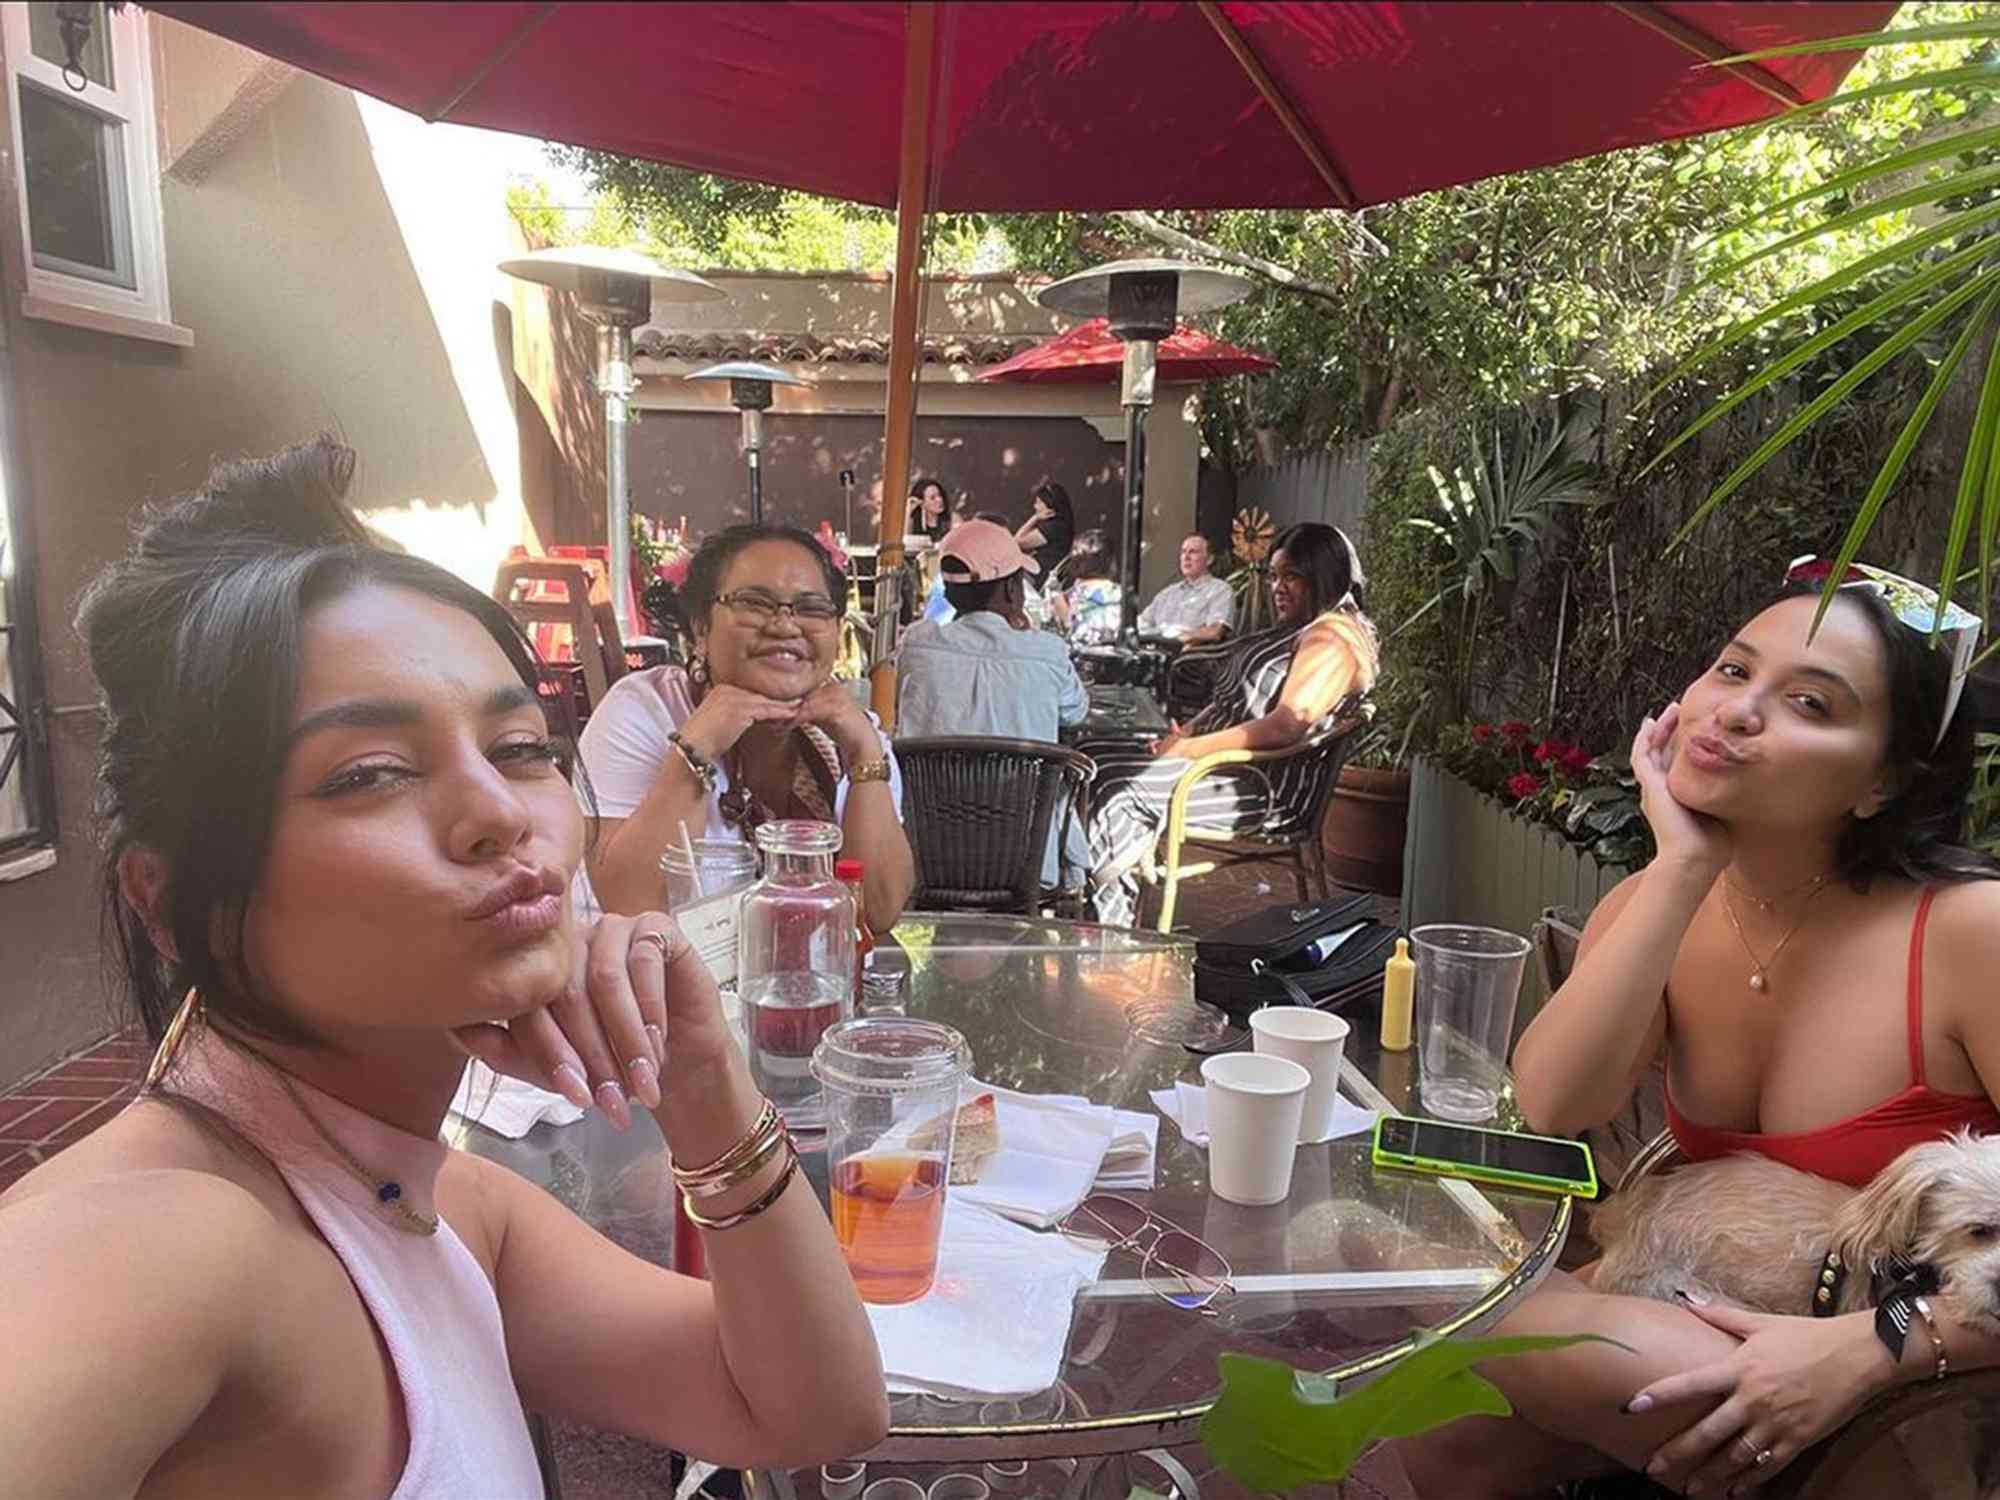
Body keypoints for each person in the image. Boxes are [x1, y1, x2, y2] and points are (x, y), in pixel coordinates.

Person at [0, 439, 888, 1497]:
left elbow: (808, 1412)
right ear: (171, 902)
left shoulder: (443, 1204)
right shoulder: (163, 1243)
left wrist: (701, 1085)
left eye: (519, 749)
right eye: (370, 774)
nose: (499, 813)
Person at [1399, 558, 2000, 1498]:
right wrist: (1678, 868)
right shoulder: (1662, 900)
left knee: (1473, 1318)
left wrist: (1872, 1348)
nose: (1737, 711)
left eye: (1810, 702)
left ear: (1882, 783)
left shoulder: (1970, 932)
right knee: (1449, 1439)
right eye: (1731, 670)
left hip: (1930, 1382)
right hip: (1712, 1313)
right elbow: (1555, 1102)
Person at [579, 523, 914, 926]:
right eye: (755, 603)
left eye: (811, 608)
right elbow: (631, 906)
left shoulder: (855, 734)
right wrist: (693, 750)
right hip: (667, 981)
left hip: (805, 983)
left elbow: (876, 913)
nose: (785, 626)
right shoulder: (643, 712)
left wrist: (864, 756)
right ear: (701, 628)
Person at [1078, 522, 1376, 926]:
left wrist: (1187, 750)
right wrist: (1185, 732)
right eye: (1274, 576)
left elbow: (1286, 726)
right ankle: (1081, 896)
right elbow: (1232, 702)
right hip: (1224, 767)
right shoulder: (1306, 627)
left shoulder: (1333, 640)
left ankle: (1108, 924)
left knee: (1119, 787)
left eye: (1292, 576)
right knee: (1088, 760)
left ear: (1325, 576)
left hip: (1260, 788)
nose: (1278, 587)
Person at [897, 519, 1091, 887]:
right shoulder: (1046, 652)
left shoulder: (916, 646)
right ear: (1010, 590)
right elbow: (1077, 711)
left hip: (930, 854)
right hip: (1026, 857)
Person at [1137, 532, 1234, 644]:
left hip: (1190, 657)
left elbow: (1215, 632)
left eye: (1193, 552)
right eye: (1183, 552)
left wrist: (1180, 637)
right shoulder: (1168, 593)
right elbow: (1141, 623)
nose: (1186, 557)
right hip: (1154, 653)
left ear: (1209, 560)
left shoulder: (1220, 590)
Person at [1051, 532, 1124, 645]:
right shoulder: (1118, 591)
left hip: (1084, 653)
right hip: (1114, 651)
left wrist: (1056, 596)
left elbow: (1068, 624)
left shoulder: (1077, 593)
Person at [1013, 479, 1076, 582]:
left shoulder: (1054, 527)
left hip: (1039, 577)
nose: (1035, 506)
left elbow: (1016, 542)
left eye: (1038, 503)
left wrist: (1035, 518)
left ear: (1050, 504)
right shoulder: (1061, 525)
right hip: (1038, 572)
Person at [906, 477, 951, 543]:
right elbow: (904, 542)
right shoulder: (913, 522)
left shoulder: (952, 520)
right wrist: (908, 511)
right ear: (922, 503)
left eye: (940, 495)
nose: (939, 500)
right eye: (932, 498)